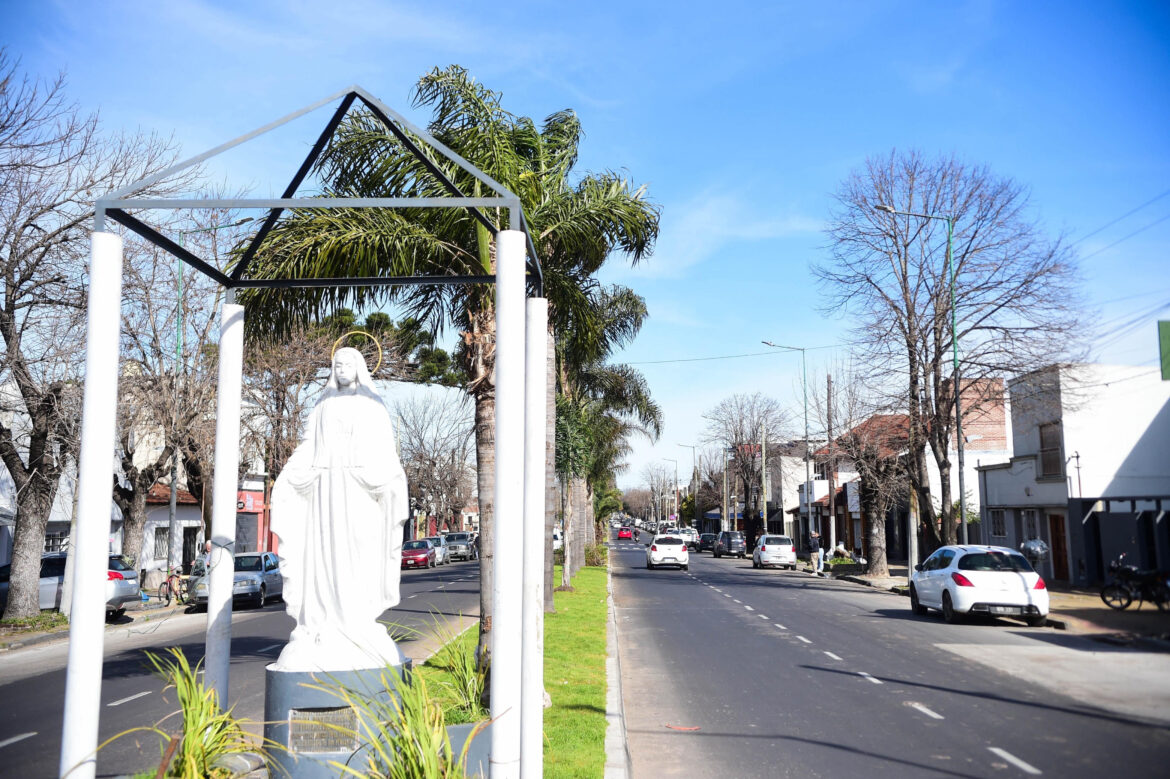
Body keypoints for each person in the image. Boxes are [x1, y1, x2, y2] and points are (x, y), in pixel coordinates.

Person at [271, 347, 409, 672]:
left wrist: (391, 476)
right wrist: (290, 472)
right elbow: (308, 445)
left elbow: (385, 448)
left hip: (360, 489)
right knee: (324, 554)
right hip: (325, 488)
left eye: (348, 364)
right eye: (338, 364)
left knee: (360, 552)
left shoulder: (372, 404)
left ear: (359, 367)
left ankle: (358, 620)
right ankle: (323, 622)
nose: (343, 368)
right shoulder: (323, 404)